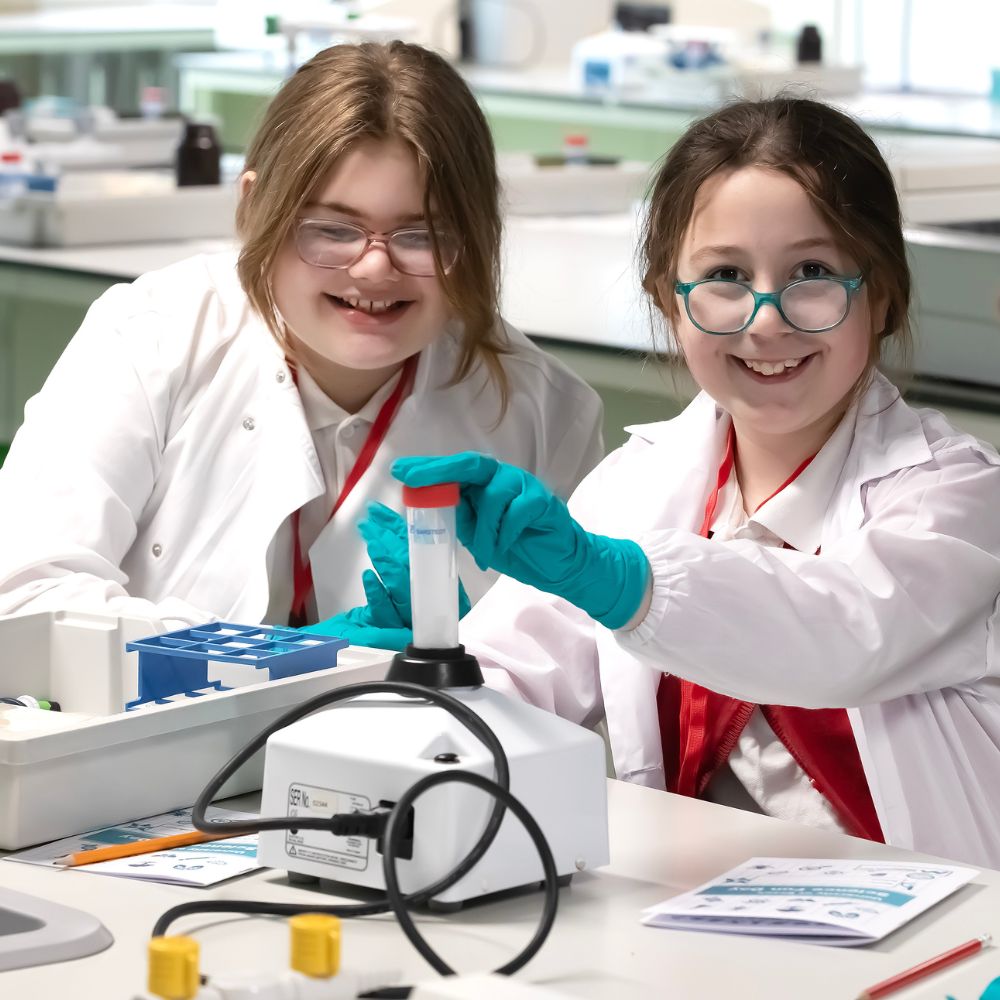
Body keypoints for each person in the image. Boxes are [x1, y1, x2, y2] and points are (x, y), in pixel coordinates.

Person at [338, 97, 1000, 868]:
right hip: (705, 912)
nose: (765, 319)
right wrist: (435, 658)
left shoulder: (955, 498)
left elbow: (840, 631)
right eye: (723, 276)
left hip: (938, 928)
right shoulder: (636, 485)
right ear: (667, 299)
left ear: (880, 295)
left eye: (812, 273)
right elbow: (524, 680)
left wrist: (623, 581)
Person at [0, 42, 603, 633]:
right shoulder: (152, 336)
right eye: (334, 228)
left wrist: (482, 662)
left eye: (421, 236)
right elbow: (27, 596)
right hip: (144, 732)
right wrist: (273, 662)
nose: (374, 268)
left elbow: (577, 677)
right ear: (254, 207)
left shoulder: (544, 410)